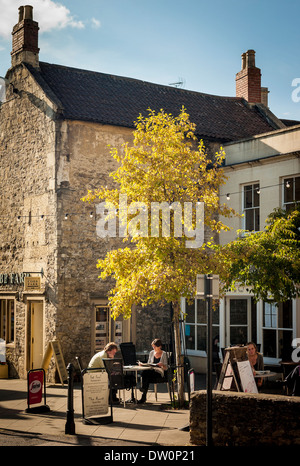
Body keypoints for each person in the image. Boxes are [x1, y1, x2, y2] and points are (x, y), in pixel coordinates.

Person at [138, 338, 168, 404]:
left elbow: (166, 368)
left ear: (159, 346)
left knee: (145, 374)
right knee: (146, 376)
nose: (153, 348)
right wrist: (143, 365)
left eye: (155, 347)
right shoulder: (151, 353)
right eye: (153, 347)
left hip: (159, 373)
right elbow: (149, 363)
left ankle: (143, 391)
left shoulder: (164, 354)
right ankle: (143, 397)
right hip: (151, 372)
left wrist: (162, 365)